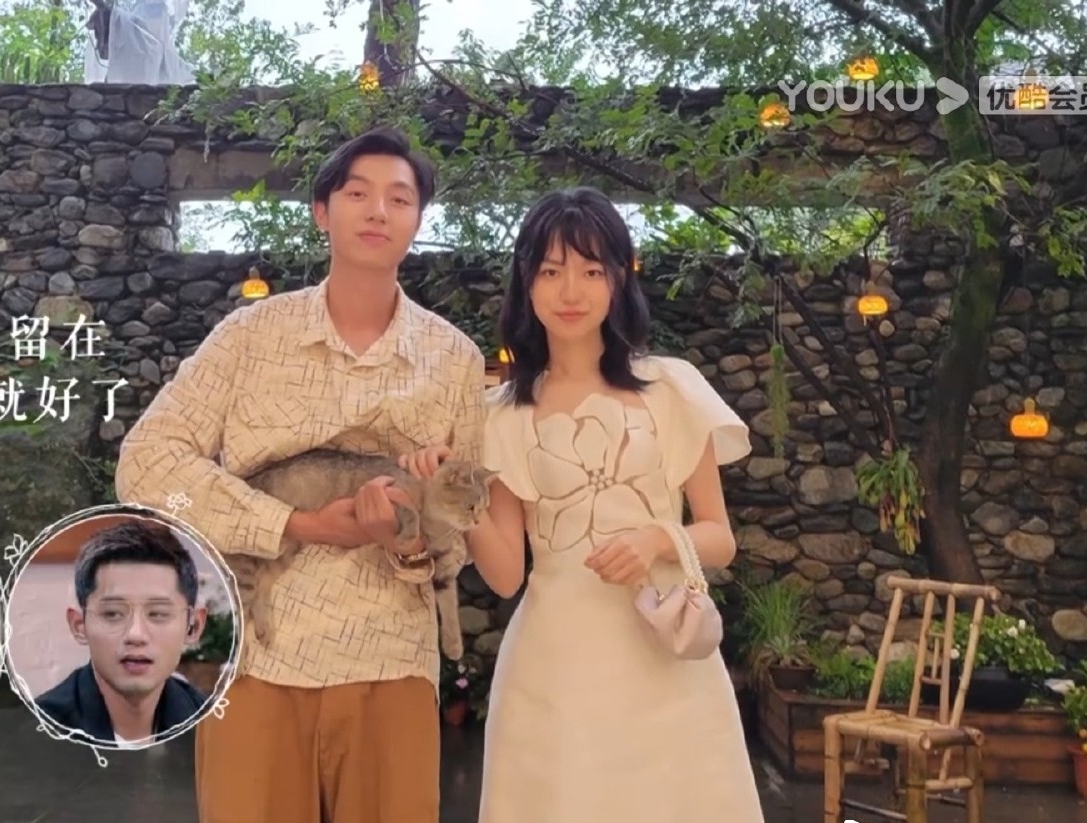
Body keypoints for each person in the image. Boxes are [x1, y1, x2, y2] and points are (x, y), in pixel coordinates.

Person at [114, 126, 486, 823]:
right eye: (358, 193)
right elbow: (146, 462)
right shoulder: (250, 337)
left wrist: (407, 541)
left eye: (399, 198)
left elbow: (456, 533)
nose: (378, 211)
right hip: (258, 661)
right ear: (322, 211)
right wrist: (298, 523)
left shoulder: (454, 360)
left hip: (391, 664)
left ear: (417, 220)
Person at [400, 187, 765, 822]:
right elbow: (506, 575)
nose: (571, 291)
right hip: (554, 678)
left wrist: (657, 540)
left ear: (620, 279)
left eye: (592, 271)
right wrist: (449, 491)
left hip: (667, 668)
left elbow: (719, 537)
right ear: (527, 281)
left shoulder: (670, 390)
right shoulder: (501, 416)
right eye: (551, 271)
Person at [35, 518, 211, 747]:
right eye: (112, 614)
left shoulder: (215, 727)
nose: (135, 635)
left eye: (158, 614)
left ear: (193, 626)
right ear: (79, 625)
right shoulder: (35, 734)